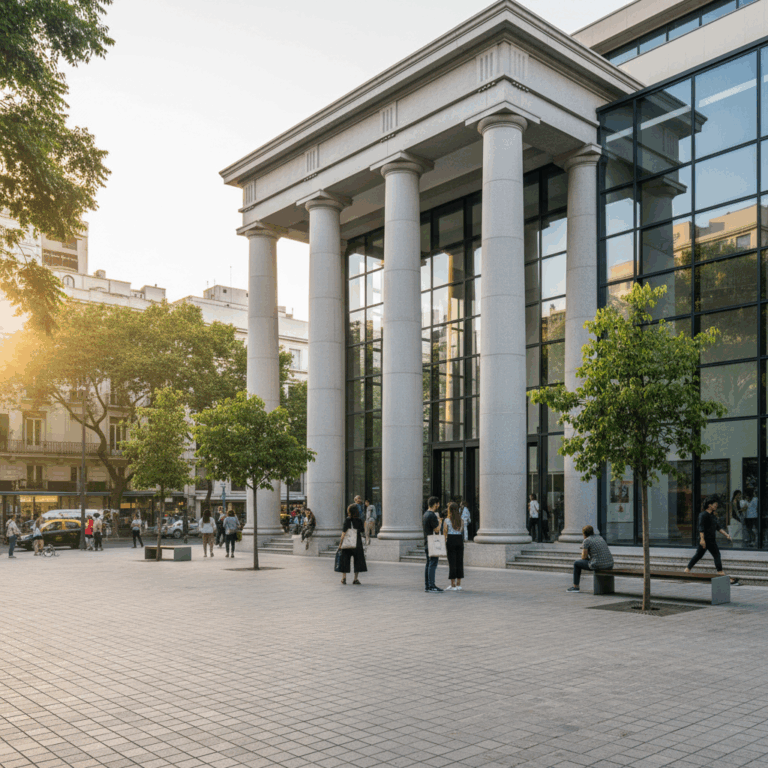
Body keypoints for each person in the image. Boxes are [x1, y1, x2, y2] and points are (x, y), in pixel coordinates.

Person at [685, 495, 740, 585]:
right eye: (715, 504)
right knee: (712, 555)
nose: (716, 505)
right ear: (709, 505)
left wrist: (727, 535)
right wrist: (702, 540)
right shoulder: (703, 515)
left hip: (711, 540)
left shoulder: (713, 516)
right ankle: (722, 576)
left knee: (702, 556)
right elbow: (701, 528)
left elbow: (717, 527)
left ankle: (686, 571)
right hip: (705, 540)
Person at [567, 525, 614, 593]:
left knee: (576, 563)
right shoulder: (600, 537)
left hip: (598, 564)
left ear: (584, 534)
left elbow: (584, 557)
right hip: (610, 564)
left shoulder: (587, 540)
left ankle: (575, 587)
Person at [338, 504, 367, 584]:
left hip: (348, 542)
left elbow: (344, 532)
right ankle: (355, 579)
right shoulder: (359, 520)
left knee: (345, 560)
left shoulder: (347, 520)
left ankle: (344, 578)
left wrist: (340, 544)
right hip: (357, 542)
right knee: (358, 560)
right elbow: (362, 531)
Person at [422, 497, 443, 593]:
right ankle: (431, 585)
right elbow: (437, 530)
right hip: (433, 542)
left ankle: (427, 585)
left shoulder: (425, 514)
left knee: (428, 564)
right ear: (435, 504)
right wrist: (440, 522)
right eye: (438, 503)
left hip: (427, 541)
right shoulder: (432, 515)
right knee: (433, 564)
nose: (438, 505)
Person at [444, 501, 465, 591]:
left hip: (451, 540)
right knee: (459, 561)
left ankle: (452, 584)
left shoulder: (447, 520)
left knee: (452, 562)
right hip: (459, 540)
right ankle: (459, 584)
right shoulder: (461, 520)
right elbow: (461, 530)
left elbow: (445, 533)